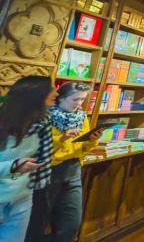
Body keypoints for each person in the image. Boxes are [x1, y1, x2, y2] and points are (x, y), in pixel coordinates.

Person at [27, 82, 100, 242]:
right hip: (49, 171)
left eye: (82, 100)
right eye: (76, 99)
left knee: (71, 223)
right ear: (61, 98)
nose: (79, 104)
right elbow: (36, 150)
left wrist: (92, 141)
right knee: (38, 221)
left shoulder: (81, 117)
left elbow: (83, 147)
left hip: (73, 169)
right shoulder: (45, 117)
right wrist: (62, 138)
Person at [0, 76, 56, 241]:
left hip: (22, 196)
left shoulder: (42, 124)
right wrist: (13, 166)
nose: (57, 92)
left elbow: (42, 158)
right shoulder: (3, 124)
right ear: (34, 95)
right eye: (52, 88)